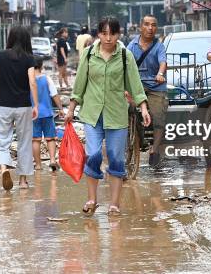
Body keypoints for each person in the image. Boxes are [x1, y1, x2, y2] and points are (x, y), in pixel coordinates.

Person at [64, 16, 151, 216]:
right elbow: (79, 85)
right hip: (92, 114)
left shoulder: (124, 56)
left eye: (113, 34)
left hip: (116, 114)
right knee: (93, 154)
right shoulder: (88, 55)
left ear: (118, 34)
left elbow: (135, 84)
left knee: (115, 158)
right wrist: (70, 109)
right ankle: (92, 199)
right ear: (98, 34)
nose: (108, 38)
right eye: (104, 33)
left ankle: (114, 204)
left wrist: (143, 107)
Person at [0, 26, 39, 190]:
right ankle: (23, 181)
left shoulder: (0, 56)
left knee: (3, 141)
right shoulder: (29, 58)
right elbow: (32, 82)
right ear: (26, 40)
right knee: (24, 142)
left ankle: (4, 168)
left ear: (10, 38)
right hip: (23, 106)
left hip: (3, 105)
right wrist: (36, 104)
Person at [127, 15, 168, 167]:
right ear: (140, 27)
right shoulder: (131, 46)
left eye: (153, 25)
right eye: (147, 25)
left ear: (156, 28)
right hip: (136, 86)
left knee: (159, 117)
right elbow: (124, 65)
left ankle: (154, 149)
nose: (150, 28)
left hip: (156, 87)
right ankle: (134, 135)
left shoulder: (159, 46)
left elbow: (163, 62)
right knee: (126, 109)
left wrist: (160, 74)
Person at [31, 57, 64, 171]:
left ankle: (38, 165)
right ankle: (53, 161)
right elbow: (54, 95)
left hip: (33, 115)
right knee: (50, 138)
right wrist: (60, 108)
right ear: (41, 66)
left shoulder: (28, 81)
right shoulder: (47, 79)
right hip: (47, 114)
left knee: (35, 140)